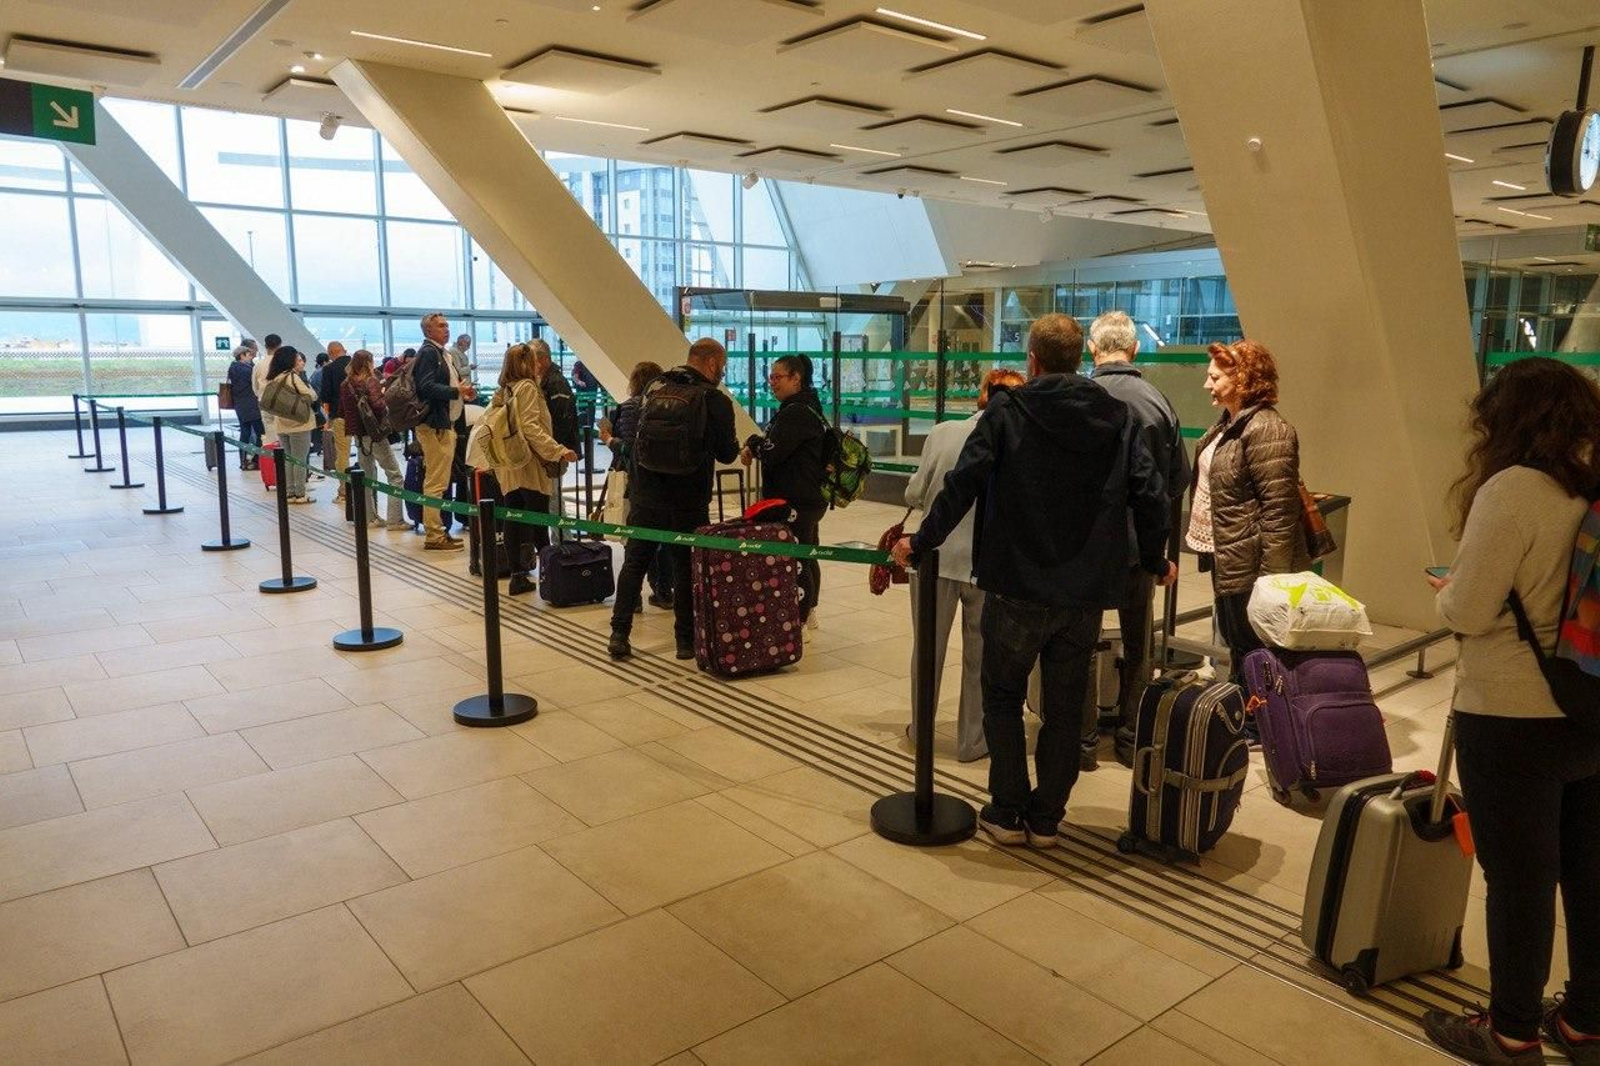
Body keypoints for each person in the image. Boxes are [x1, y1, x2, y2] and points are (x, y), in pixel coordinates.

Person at [890, 313, 1175, 849]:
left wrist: (922, 541)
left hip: (1016, 584)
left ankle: (1006, 808)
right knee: (1064, 709)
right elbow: (1150, 492)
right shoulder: (1118, 417)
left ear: (1034, 361)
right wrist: (1156, 559)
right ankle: (1047, 818)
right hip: (1084, 591)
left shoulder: (1008, 411)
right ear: (1079, 358)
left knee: (1002, 694)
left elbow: (962, 485)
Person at [1420, 357, 1600, 1066]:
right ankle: (1586, 1021)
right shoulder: (1587, 488)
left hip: (1511, 718)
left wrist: (1446, 588)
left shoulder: (1513, 489)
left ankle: (1512, 1031)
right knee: (1589, 871)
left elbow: (1466, 608)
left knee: (1520, 879)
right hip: (1590, 709)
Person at [902, 368, 1025, 763]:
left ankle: (922, 730)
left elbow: (915, 492)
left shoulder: (942, 432)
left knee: (928, 651)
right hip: (987, 567)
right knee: (981, 657)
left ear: (981, 395)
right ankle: (972, 740)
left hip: (935, 558)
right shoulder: (1020, 440)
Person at [1088, 310, 1190, 767]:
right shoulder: (1158, 401)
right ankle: (1132, 738)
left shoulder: (1081, 396)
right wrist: (1158, 548)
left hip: (1083, 547)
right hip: (1137, 547)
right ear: (1134, 350)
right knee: (1138, 643)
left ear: (1094, 349)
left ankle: (1082, 741)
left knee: (1079, 643)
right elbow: (1173, 482)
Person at [1185, 339, 1309, 704]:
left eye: (1215, 377)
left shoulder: (1268, 429)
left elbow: (1280, 511)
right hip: (1232, 556)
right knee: (1238, 642)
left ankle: (1264, 725)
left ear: (1243, 379)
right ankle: (1246, 717)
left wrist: (1271, 580)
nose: (1207, 384)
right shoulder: (1231, 424)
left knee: (1254, 647)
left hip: (1253, 563)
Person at [608, 338, 739, 661]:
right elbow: (726, 454)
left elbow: (636, 441)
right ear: (711, 363)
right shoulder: (714, 400)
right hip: (689, 498)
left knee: (635, 562)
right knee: (684, 568)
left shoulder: (654, 387)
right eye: (721, 365)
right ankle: (685, 641)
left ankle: (619, 634)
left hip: (646, 494)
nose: (722, 371)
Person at [740, 354, 828, 627]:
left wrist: (754, 444)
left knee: (797, 558)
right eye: (771, 377)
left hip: (795, 499)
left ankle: (799, 620)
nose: (772, 383)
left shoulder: (796, 412)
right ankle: (809, 613)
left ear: (796, 379)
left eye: (778, 377)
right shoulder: (809, 407)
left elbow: (773, 452)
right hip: (810, 497)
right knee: (807, 552)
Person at [490, 343, 579, 596]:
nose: (539, 363)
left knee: (514, 517)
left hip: (509, 463)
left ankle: (518, 575)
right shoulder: (528, 387)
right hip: (528, 463)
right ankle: (553, 576)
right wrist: (558, 450)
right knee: (540, 518)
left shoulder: (504, 389)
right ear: (528, 363)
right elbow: (531, 427)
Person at [602, 360, 673, 610]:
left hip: (637, 483)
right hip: (663, 483)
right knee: (662, 540)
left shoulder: (627, 408)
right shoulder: (667, 407)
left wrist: (610, 440)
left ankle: (632, 600)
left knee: (636, 545)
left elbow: (628, 450)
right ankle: (663, 590)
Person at [413, 313, 476, 551]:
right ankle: (434, 534)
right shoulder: (429, 352)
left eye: (447, 325)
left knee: (439, 481)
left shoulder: (441, 352)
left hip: (445, 423)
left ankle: (437, 530)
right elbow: (425, 386)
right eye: (441, 326)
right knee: (436, 482)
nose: (446, 329)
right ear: (428, 331)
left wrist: (461, 392)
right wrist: (455, 391)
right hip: (435, 426)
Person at [339, 349, 410, 532]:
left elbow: (344, 410)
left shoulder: (346, 384)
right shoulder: (370, 381)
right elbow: (378, 406)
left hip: (359, 435)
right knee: (395, 475)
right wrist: (384, 396)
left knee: (367, 475)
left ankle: (370, 518)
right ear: (369, 363)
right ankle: (395, 520)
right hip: (375, 433)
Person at [264, 346, 317, 504]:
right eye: (296, 358)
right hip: (299, 424)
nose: (298, 361)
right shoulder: (292, 377)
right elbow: (311, 395)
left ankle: (290, 492)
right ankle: (300, 494)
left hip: (282, 424)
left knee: (288, 459)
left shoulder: (274, 377)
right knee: (300, 460)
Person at [319, 341, 352, 502]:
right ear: (344, 351)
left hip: (340, 415)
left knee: (343, 453)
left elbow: (325, 395)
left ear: (331, 353)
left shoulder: (329, 369)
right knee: (367, 454)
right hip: (363, 417)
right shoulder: (357, 365)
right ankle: (365, 490)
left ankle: (344, 491)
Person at [227, 342, 262, 471]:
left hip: (240, 406)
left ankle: (243, 461)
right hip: (251, 406)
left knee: (245, 433)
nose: (251, 357)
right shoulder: (247, 370)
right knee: (261, 433)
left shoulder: (233, 368)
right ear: (241, 356)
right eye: (248, 355)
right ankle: (257, 460)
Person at [253, 332, 281, 445]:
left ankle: (272, 461)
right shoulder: (282, 364)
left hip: (264, 402)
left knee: (270, 436)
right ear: (280, 346)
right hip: (281, 403)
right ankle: (284, 461)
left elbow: (255, 387)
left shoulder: (258, 365)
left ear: (265, 346)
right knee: (283, 436)